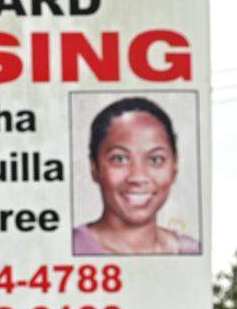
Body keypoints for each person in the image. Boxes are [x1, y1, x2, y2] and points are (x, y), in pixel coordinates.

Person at [73, 96, 201, 255]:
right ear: (94, 167)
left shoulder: (192, 252)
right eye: (119, 159)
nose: (138, 177)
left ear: (174, 166)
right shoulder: (66, 249)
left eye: (155, 159)